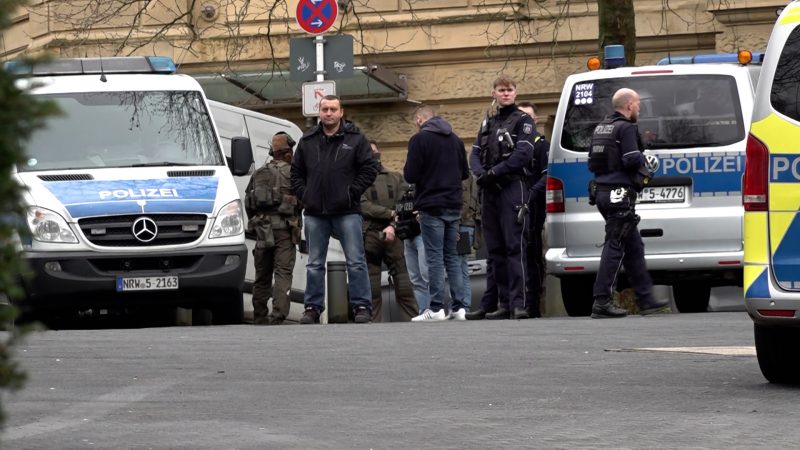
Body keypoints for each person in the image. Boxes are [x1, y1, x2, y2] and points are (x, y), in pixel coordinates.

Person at [290, 95, 379, 324]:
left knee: (356, 261)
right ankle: (312, 307)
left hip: (347, 210)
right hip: (315, 212)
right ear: (319, 112)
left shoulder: (356, 139)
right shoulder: (307, 140)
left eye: (333, 109)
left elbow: (369, 168)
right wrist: (305, 194)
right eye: (325, 109)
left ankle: (361, 306)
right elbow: (296, 173)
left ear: (341, 112)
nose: (328, 113)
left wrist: (352, 192)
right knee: (314, 264)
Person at [587, 88, 668, 318]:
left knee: (633, 246)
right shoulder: (627, 127)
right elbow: (631, 158)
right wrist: (647, 159)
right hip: (620, 194)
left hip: (602, 191)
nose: (640, 109)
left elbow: (594, 160)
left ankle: (646, 300)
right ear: (629, 105)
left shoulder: (602, 127)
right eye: (638, 105)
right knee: (615, 245)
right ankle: (602, 300)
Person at [468, 75, 535, 320]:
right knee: (494, 249)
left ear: (515, 93)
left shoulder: (524, 121)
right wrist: (481, 174)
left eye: (509, 90)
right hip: (489, 190)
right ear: (494, 92)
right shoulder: (488, 123)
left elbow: (523, 154)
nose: (505, 93)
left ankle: (519, 304)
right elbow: (474, 154)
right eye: (501, 90)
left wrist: (495, 172)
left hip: (512, 187)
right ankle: (503, 303)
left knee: (513, 247)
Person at [404, 104, 470, 321]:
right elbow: (464, 173)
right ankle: (460, 307)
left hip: (431, 205)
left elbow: (410, 175)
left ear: (419, 120)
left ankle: (436, 308)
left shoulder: (419, 140)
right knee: (452, 256)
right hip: (453, 204)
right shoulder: (456, 140)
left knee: (434, 257)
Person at [244, 132, 302, 325]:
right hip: (285, 230)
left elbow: (248, 203)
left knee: (262, 275)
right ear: (288, 153)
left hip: (262, 230)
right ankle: (278, 316)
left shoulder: (258, 173)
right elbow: (303, 200)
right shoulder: (294, 173)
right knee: (282, 273)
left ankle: (259, 316)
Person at [361, 140, 418, 321]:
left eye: (374, 152)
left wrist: (393, 225)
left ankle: (412, 321)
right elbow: (362, 205)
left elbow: (405, 205)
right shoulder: (358, 180)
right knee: (372, 286)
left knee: (403, 283)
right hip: (370, 234)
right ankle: (373, 324)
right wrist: (391, 215)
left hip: (394, 233)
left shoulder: (395, 177)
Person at [518, 101, 549, 318]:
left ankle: (533, 305)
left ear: (536, 120)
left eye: (529, 117)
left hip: (534, 207)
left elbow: (547, 176)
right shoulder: (515, 144)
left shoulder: (541, 144)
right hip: (514, 205)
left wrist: (530, 196)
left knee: (532, 256)